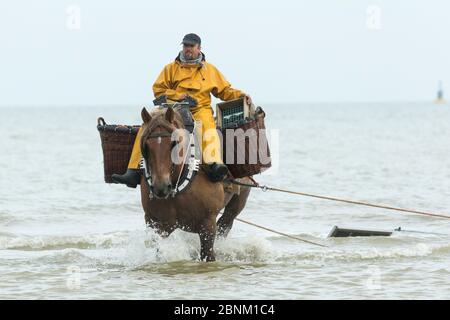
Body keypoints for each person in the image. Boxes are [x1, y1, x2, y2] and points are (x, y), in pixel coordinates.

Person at [112, 33, 252, 188]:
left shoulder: (210, 70)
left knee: (207, 124)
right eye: (185, 46)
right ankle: (133, 171)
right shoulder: (170, 68)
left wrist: (241, 95)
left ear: (199, 48)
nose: (188, 49)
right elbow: (158, 90)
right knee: (147, 125)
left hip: (199, 108)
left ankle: (214, 164)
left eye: (191, 46)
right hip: (172, 109)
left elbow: (225, 91)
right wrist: (177, 95)